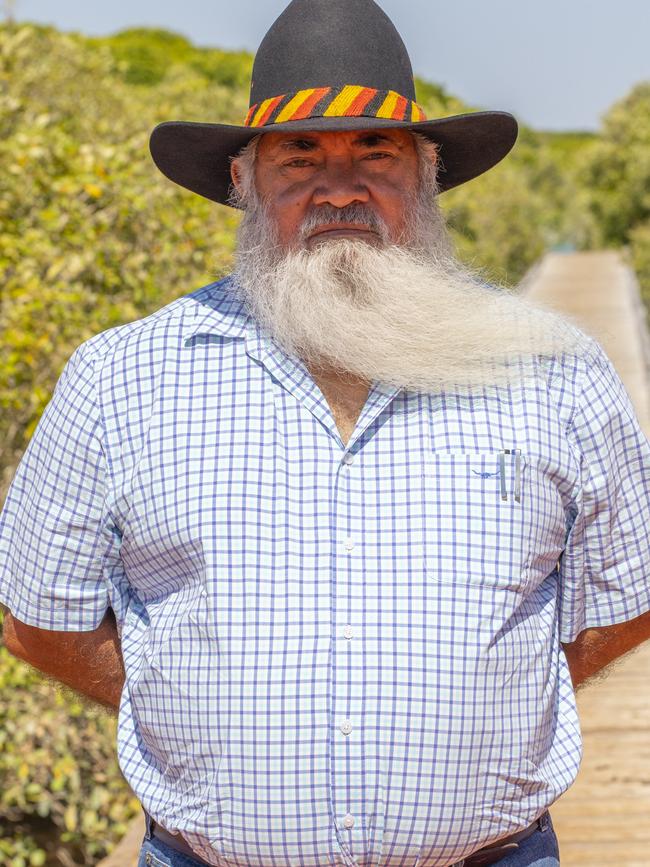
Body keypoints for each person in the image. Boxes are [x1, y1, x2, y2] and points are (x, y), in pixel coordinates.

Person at [1, 1, 650, 866]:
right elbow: (39, 619)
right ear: (243, 179)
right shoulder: (120, 378)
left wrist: (499, 696)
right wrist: (182, 704)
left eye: (374, 152)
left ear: (427, 174)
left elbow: (627, 597)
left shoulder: (550, 367)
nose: (338, 186)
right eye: (299, 154)